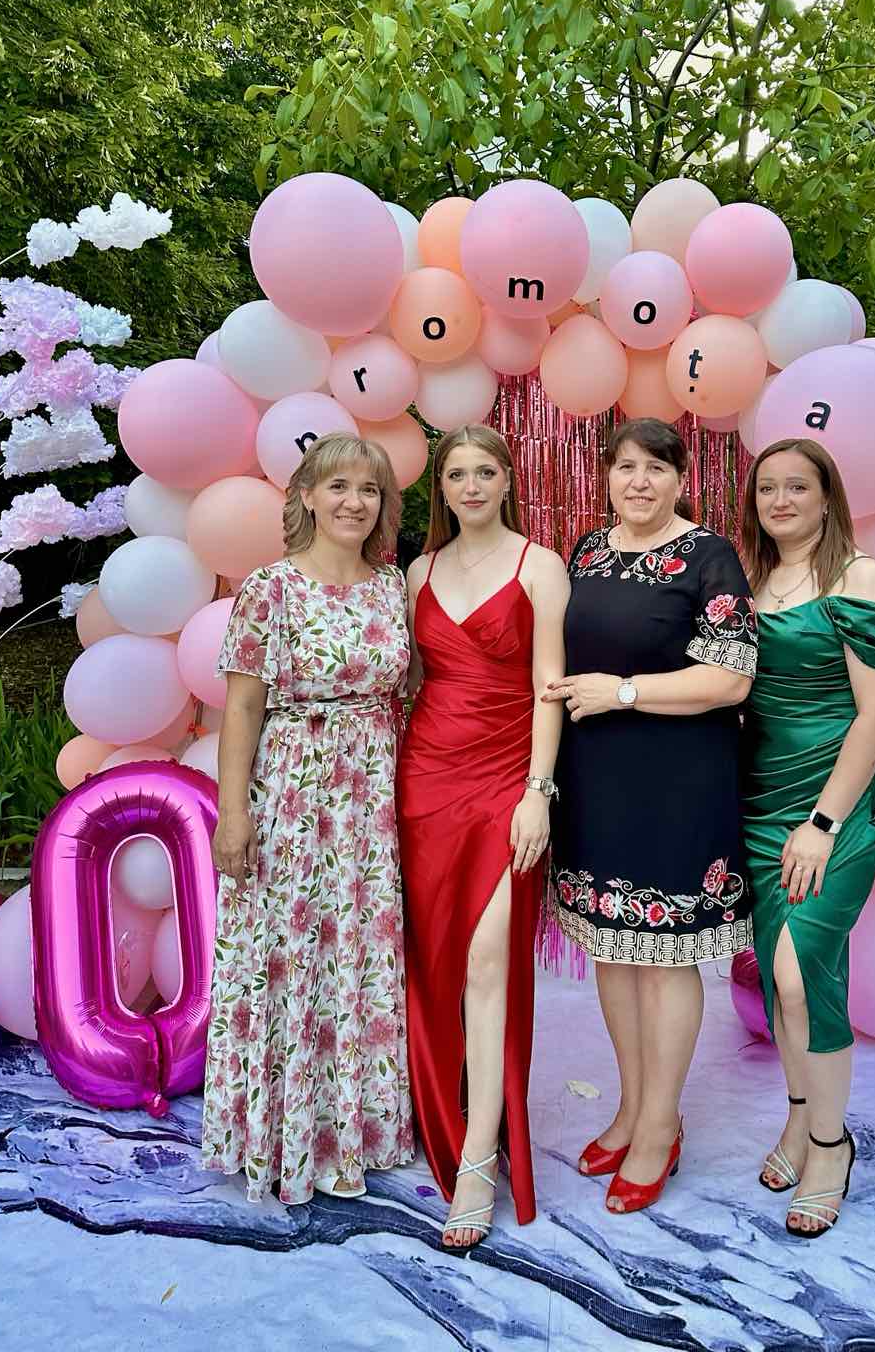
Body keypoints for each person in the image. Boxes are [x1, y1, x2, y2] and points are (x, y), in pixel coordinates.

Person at [544, 417, 759, 1216]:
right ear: (607, 475)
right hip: (595, 779)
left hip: (679, 785)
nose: (639, 482)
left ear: (680, 480)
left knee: (666, 959)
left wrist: (624, 692)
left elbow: (731, 679)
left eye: (656, 469)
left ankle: (662, 1125)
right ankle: (632, 1109)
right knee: (615, 949)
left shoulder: (709, 556)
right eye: (626, 467)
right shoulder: (586, 553)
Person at [202, 433, 414, 1205]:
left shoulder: (393, 588)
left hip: (371, 799)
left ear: (383, 505)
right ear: (307, 498)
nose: (354, 502)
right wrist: (233, 813)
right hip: (292, 792)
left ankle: (353, 1131)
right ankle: (284, 1135)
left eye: (369, 489)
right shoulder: (271, 588)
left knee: (358, 954)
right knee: (291, 955)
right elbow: (241, 710)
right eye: (339, 487)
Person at [397, 424, 569, 1249]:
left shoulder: (540, 566)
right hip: (424, 781)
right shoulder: (418, 573)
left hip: (506, 780)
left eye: (484, 472)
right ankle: (435, 1107)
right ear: (442, 488)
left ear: (507, 481)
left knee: (488, 963)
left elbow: (549, 689)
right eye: (456, 474)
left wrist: (538, 792)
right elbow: (404, 682)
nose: (470, 486)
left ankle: (478, 1158)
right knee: (432, 962)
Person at [739, 437, 875, 1239]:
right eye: (767, 488)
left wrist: (822, 823)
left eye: (796, 487)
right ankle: (797, 1115)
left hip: (832, 808)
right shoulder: (753, 582)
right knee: (780, 984)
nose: (780, 501)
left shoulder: (860, 577)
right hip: (761, 804)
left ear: (826, 496)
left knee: (801, 971)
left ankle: (830, 1146)